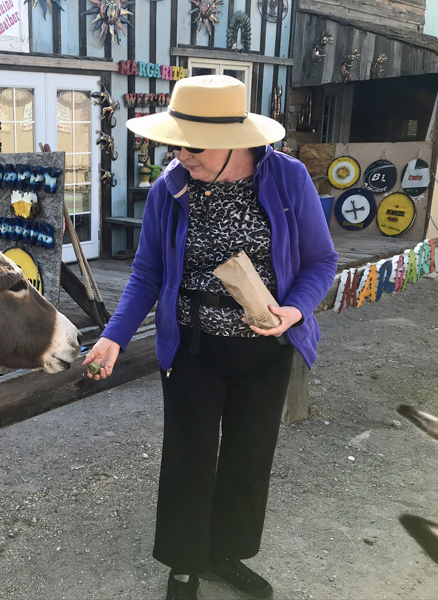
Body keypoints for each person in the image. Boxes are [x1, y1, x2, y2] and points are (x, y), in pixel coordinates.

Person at [82, 75, 338, 600]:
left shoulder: (289, 180)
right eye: (175, 142)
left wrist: (293, 310)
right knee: (188, 458)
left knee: (249, 456)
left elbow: (321, 261)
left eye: (192, 145)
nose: (180, 155)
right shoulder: (170, 187)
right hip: (193, 345)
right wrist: (114, 336)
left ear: (235, 140)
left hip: (266, 346)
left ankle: (225, 555)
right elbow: (147, 272)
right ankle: (183, 565)